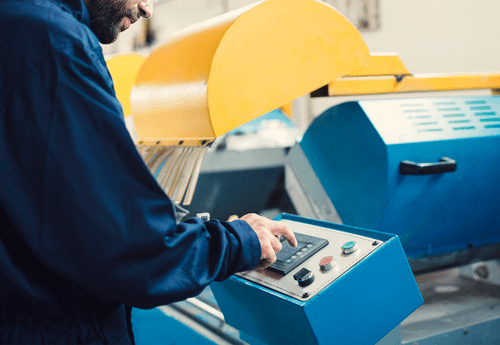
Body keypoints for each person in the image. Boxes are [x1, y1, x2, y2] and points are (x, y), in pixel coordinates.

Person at [0, 0, 297, 343]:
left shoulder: (17, 23)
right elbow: (126, 246)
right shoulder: (55, 44)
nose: (147, 9)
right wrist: (240, 240)